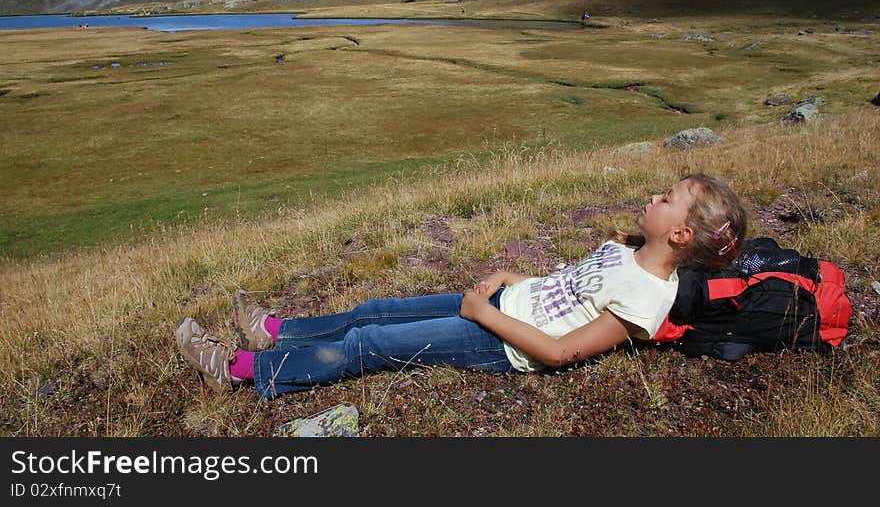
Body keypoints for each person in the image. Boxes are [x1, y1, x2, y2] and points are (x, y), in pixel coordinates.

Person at [175, 173, 747, 399]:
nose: (653, 197)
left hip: (498, 341)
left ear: (678, 234)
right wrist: (506, 280)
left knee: (366, 348)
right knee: (375, 310)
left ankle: (243, 370)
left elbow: (557, 352)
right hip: (497, 305)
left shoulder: (648, 298)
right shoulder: (624, 251)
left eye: (665, 199)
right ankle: (274, 330)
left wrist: (480, 315)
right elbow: (567, 289)